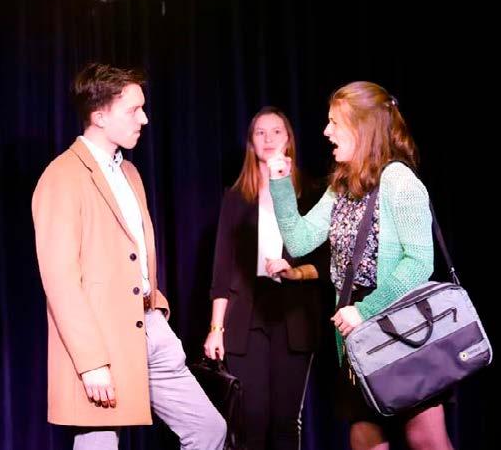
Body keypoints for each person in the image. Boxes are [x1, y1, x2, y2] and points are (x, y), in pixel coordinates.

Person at [32, 62, 226, 450]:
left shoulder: (130, 173)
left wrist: (157, 312)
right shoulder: (62, 176)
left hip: (148, 328)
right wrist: (90, 361)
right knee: (99, 443)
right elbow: (60, 279)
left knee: (209, 429)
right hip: (101, 339)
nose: (144, 119)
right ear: (99, 115)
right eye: (133, 110)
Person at [267, 81, 452, 450]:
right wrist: (281, 184)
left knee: (425, 439)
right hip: (355, 336)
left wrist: (365, 310)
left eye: (335, 122)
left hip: (400, 328)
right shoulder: (342, 185)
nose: (326, 131)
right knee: (365, 437)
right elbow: (300, 241)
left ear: (363, 126)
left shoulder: (400, 181)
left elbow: (419, 263)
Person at [203, 106, 328, 450]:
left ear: (289, 140)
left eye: (276, 132)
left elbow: (326, 262)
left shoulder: (311, 193)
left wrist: (295, 271)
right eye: (260, 132)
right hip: (246, 319)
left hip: (294, 317)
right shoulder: (235, 198)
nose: (268, 139)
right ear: (251, 142)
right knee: (251, 421)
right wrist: (216, 328)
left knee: (286, 423)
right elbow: (222, 270)